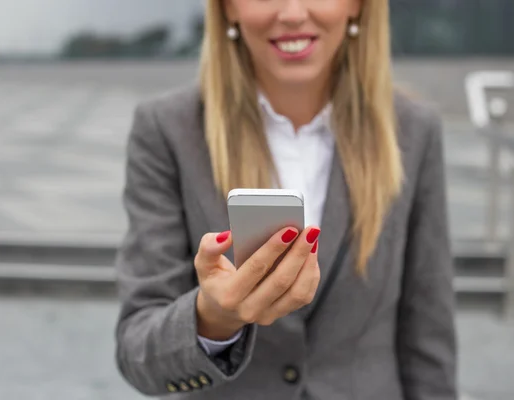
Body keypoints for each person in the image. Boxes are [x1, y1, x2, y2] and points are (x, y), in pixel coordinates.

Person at [114, 0, 457, 399]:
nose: (293, 13)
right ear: (227, 9)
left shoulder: (414, 131)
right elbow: (136, 348)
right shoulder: (167, 130)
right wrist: (212, 318)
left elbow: (428, 334)